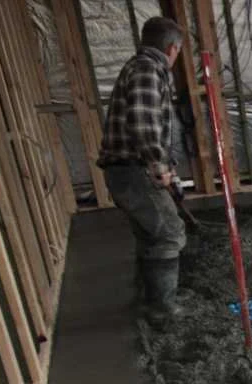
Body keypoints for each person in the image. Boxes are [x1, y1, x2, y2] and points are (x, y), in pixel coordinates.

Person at [97, 17, 186, 323]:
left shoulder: (136, 67)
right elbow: (144, 122)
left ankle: (150, 299)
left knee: (151, 233)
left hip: (125, 170)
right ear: (173, 48)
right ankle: (162, 311)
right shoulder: (149, 70)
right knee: (169, 234)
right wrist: (160, 167)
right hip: (134, 170)